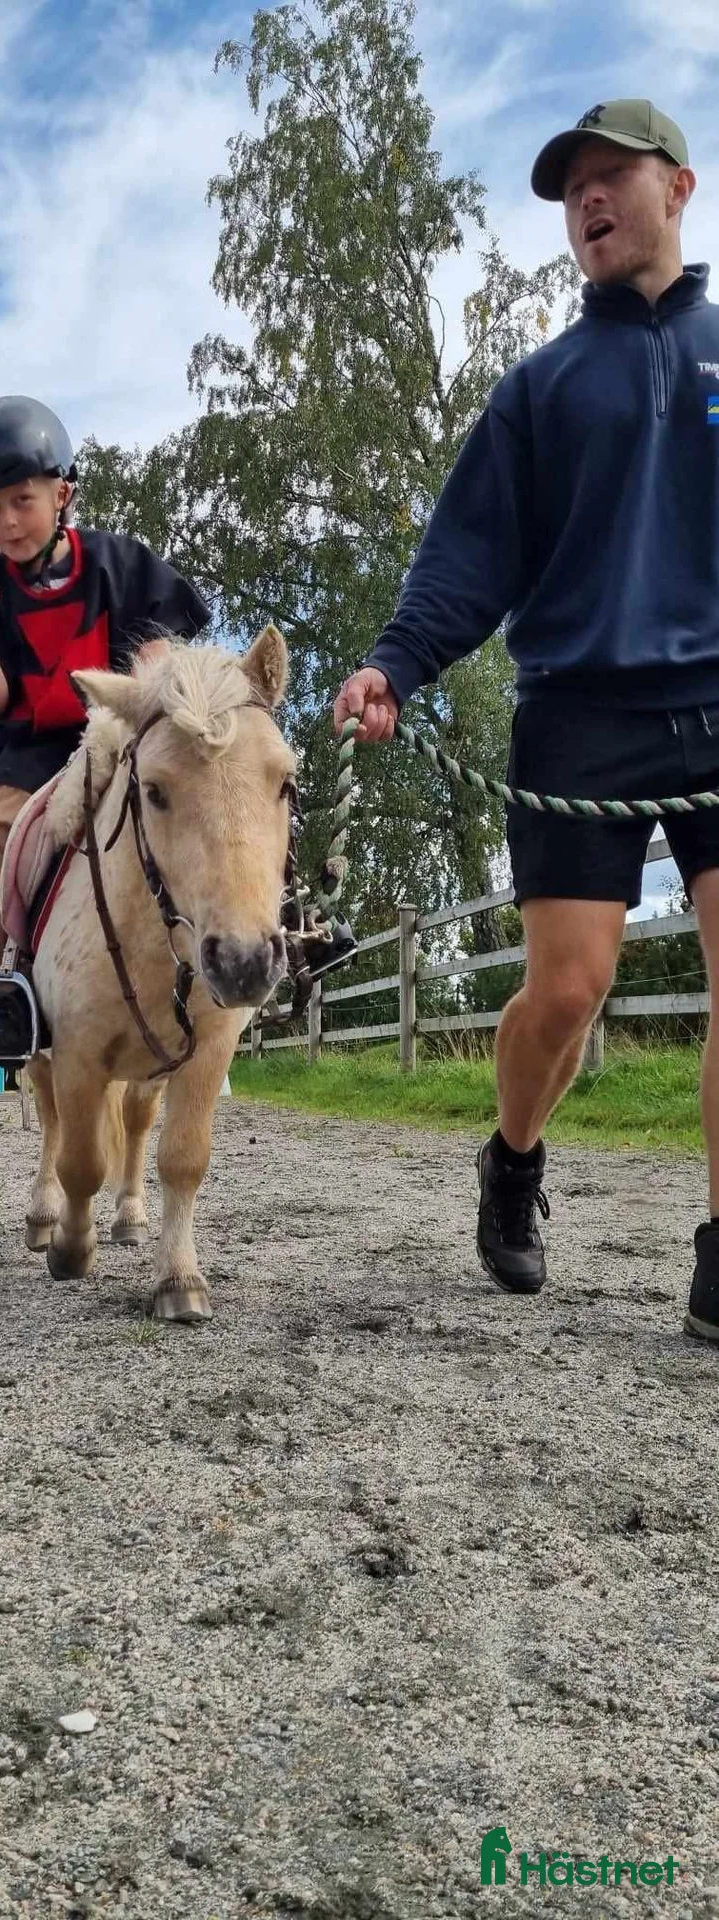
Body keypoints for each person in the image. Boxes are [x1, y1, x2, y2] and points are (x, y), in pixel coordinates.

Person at [332, 100, 719, 1342]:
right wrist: (397, 662)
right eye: (571, 190)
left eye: (614, 177)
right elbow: (468, 559)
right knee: (568, 990)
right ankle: (512, 1159)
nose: (590, 201)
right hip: (577, 716)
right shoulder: (541, 388)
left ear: (681, 186)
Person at [0, 394, 211, 972]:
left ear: (62, 494)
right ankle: (2, 978)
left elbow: (152, 663)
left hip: (121, 723)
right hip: (33, 750)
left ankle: (266, 920)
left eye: (22, 501)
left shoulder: (121, 563)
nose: (8, 520)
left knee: (218, 779)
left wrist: (140, 729)